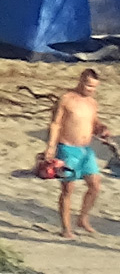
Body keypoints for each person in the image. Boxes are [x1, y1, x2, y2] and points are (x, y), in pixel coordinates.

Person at [45, 69, 110, 238]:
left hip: (85, 150)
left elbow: (93, 122)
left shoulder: (92, 103)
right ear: (81, 80)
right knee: (68, 189)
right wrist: (51, 147)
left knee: (95, 185)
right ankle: (66, 228)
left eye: (93, 87)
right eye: (88, 85)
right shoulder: (66, 99)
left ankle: (83, 218)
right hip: (67, 148)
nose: (90, 89)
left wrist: (101, 128)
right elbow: (55, 124)